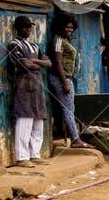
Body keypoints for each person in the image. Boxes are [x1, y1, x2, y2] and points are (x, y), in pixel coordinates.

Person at [7, 15, 51, 165]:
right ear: (17, 29)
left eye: (29, 27)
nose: (28, 30)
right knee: (25, 119)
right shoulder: (14, 44)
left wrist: (34, 62)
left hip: (37, 85)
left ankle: (35, 154)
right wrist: (38, 64)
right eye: (25, 27)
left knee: (38, 120)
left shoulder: (34, 46)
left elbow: (48, 63)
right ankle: (22, 157)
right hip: (24, 85)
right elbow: (23, 64)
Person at [47, 18, 93, 150]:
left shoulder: (65, 40)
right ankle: (75, 139)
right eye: (67, 27)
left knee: (69, 109)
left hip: (66, 78)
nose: (70, 30)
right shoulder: (58, 41)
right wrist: (64, 82)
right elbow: (57, 62)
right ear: (60, 27)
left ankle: (74, 137)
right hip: (61, 78)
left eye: (72, 28)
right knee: (68, 109)